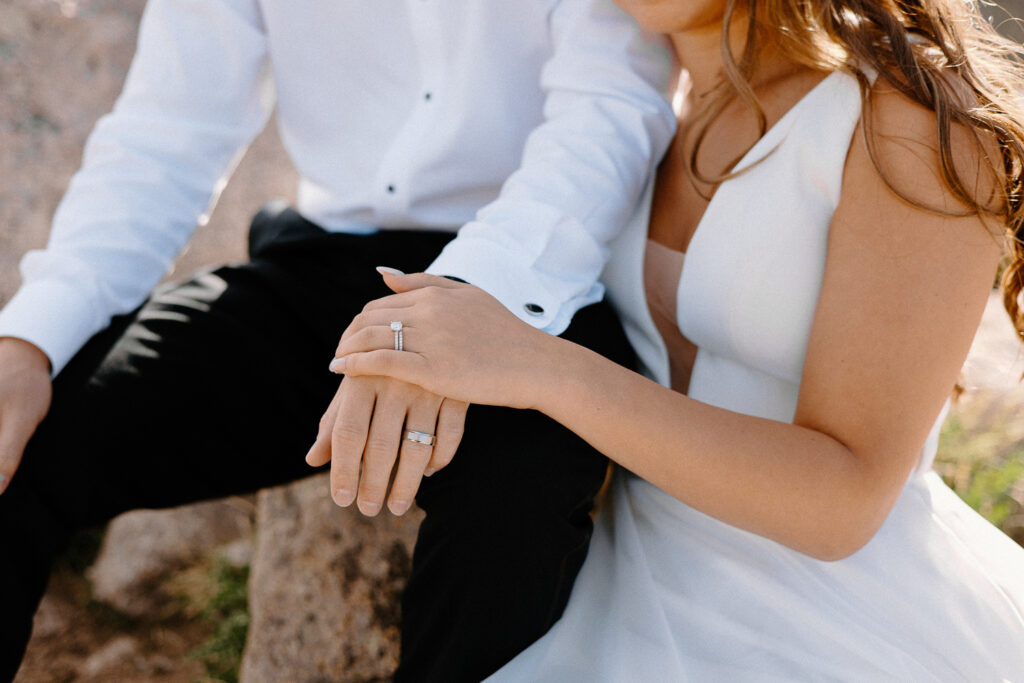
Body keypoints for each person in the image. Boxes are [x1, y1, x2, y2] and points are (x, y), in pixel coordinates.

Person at [331, 0, 1024, 677]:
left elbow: (847, 499)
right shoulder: (627, 112)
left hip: (832, 602)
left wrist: (541, 367)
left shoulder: (910, 119)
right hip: (624, 562)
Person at [0, 1, 677, 680]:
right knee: (19, 438)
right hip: (325, 266)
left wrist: (457, 304)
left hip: (532, 276)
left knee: (518, 491)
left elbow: (610, 106)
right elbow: (167, 132)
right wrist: (28, 340)